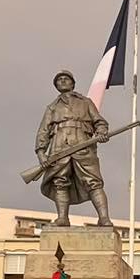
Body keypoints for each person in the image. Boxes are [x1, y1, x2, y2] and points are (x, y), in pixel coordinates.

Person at [35, 68, 114, 226]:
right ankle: (62, 218)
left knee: (94, 182)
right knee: (59, 181)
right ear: (56, 85)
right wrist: (41, 153)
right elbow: (43, 131)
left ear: (73, 83)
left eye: (66, 78)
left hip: (83, 146)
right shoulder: (52, 108)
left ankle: (104, 218)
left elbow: (100, 122)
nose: (63, 81)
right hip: (59, 148)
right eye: (59, 79)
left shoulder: (85, 102)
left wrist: (102, 132)